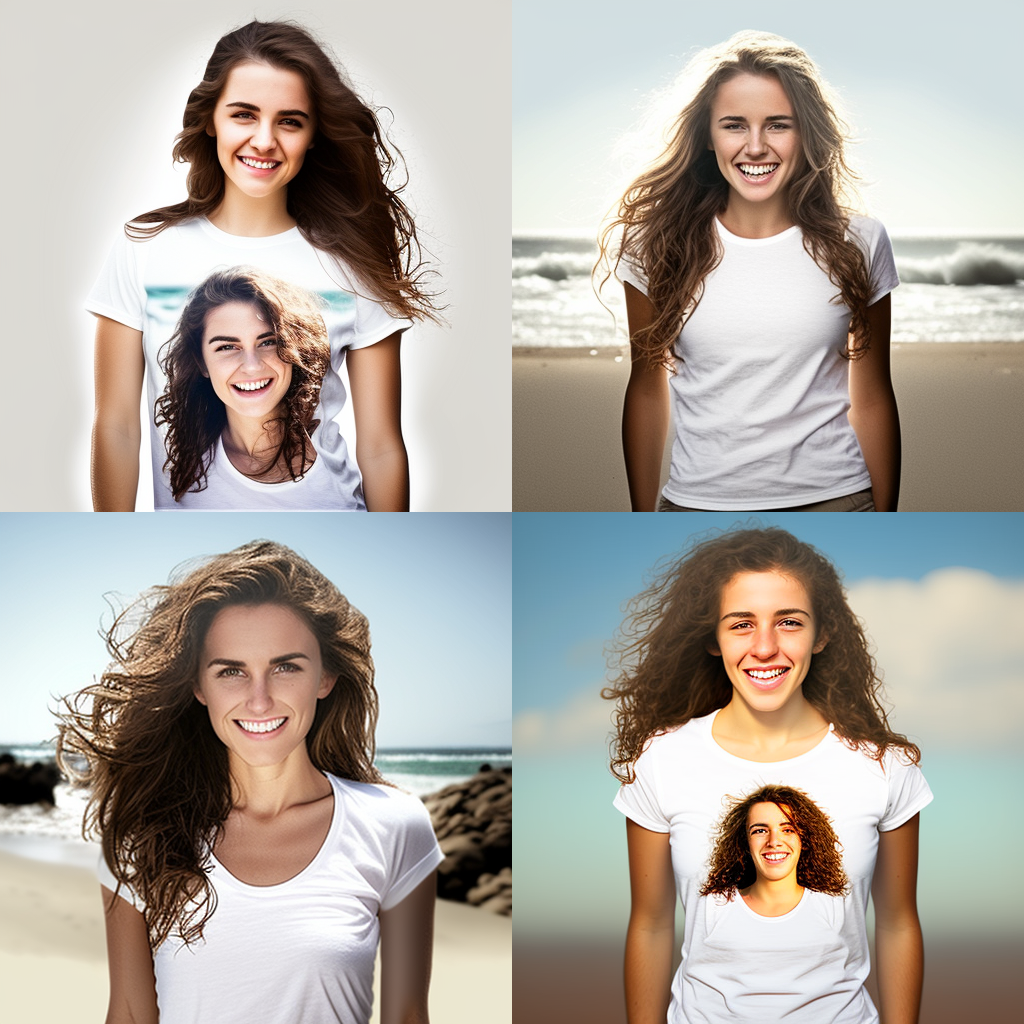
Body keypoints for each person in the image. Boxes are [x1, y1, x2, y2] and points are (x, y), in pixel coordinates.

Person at [57, 540, 443, 1024]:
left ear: (324, 677)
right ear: (199, 686)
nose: (259, 701)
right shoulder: (144, 836)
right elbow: (130, 1015)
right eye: (231, 671)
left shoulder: (393, 825)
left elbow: (407, 1016)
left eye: (285, 667)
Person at [88, 19, 440, 512]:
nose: (264, 140)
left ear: (314, 134)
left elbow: (381, 446)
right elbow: (117, 427)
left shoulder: (353, 263)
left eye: (290, 121)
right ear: (211, 118)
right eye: (244, 115)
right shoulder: (144, 248)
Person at [603, 526, 932, 1023]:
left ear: (822, 634)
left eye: (789, 622)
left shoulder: (884, 766)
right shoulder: (662, 758)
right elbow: (649, 925)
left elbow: (897, 922)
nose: (764, 647)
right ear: (712, 638)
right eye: (740, 624)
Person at [595, 31, 900, 512]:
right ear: (707, 137)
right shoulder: (654, 246)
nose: (755, 146)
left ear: (807, 133)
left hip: (837, 500)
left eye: (778, 125)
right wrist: (641, 521)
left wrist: (889, 523)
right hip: (695, 504)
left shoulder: (859, 242)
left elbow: (874, 396)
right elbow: (647, 388)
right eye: (734, 125)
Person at [155, 267, 342, 508]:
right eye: (227, 347)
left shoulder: (336, 463)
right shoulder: (175, 472)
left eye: (268, 342)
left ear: (294, 349)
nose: (252, 366)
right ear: (201, 362)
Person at [690, 784, 859, 1021]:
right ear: (744, 843)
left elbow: (853, 974)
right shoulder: (714, 906)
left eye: (788, 829)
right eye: (760, 831)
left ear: (805, 839)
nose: (774, 841)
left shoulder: (833, 905)